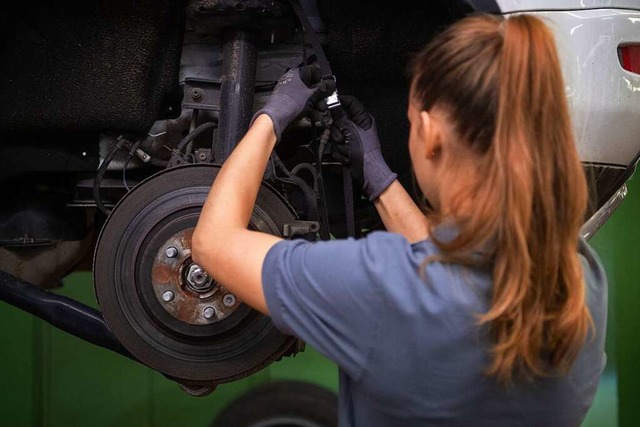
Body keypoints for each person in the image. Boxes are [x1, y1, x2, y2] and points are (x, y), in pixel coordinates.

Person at [192, 13, 607, 427]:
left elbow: (213, 241)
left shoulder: (379, 286)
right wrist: (378, 177)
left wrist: (270, 119)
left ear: (430, 134)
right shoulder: (580, 281)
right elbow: (443, 280)